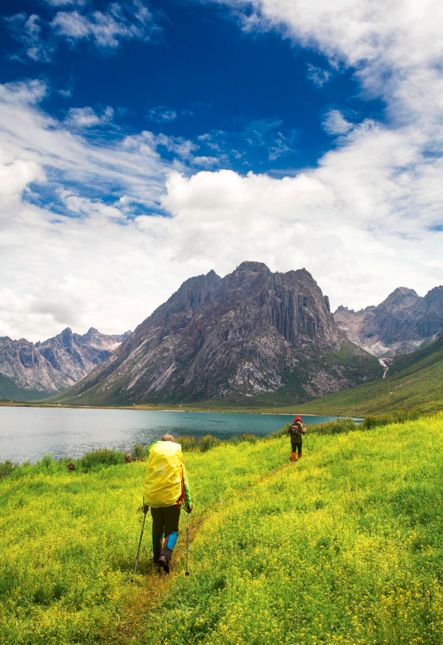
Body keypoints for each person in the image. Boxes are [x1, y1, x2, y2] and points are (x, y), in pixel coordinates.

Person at [141, 434, 192, 574]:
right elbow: (184, 483)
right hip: (172, 500)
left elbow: (148, 482)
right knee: (172, 530)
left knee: (157, 529)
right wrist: (189, 502)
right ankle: (166, 554)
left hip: (154, 501)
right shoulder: (177, 464)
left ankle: (157, 558)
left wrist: (145, 502)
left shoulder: (154, 464)